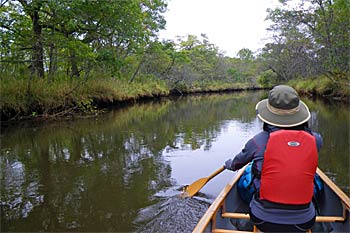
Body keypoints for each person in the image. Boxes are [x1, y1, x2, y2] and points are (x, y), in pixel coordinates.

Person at [224, 85, 323, 232]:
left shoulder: (258, 142)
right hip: (304, 221)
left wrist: (229, 164)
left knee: (250, 182)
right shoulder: (316, 140)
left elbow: (236, 164)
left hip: (263, 220)